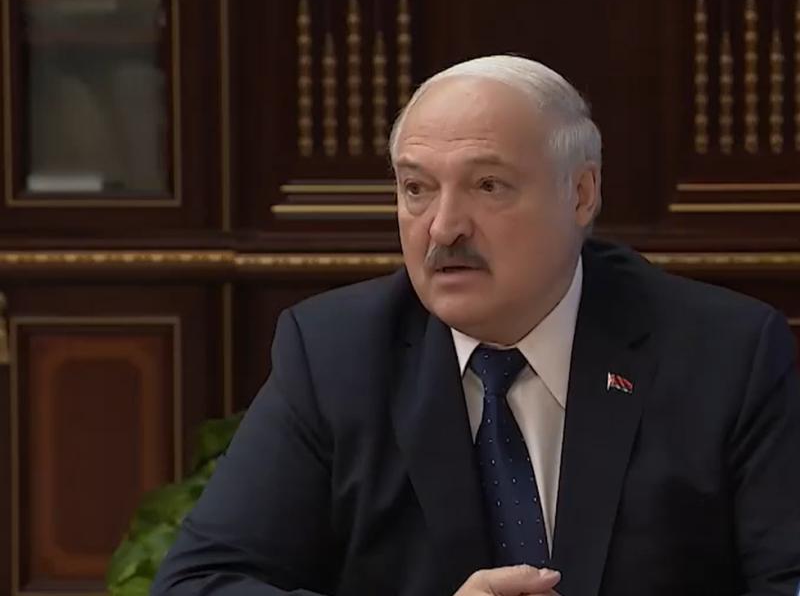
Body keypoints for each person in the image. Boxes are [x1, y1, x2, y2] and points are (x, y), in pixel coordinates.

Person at [151, 55, 800, 595]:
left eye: (488, 186)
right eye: (416, 189)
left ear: (581, 194)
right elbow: (201, 584)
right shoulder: (335, 354)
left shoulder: (726, 353)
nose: (443, 227)